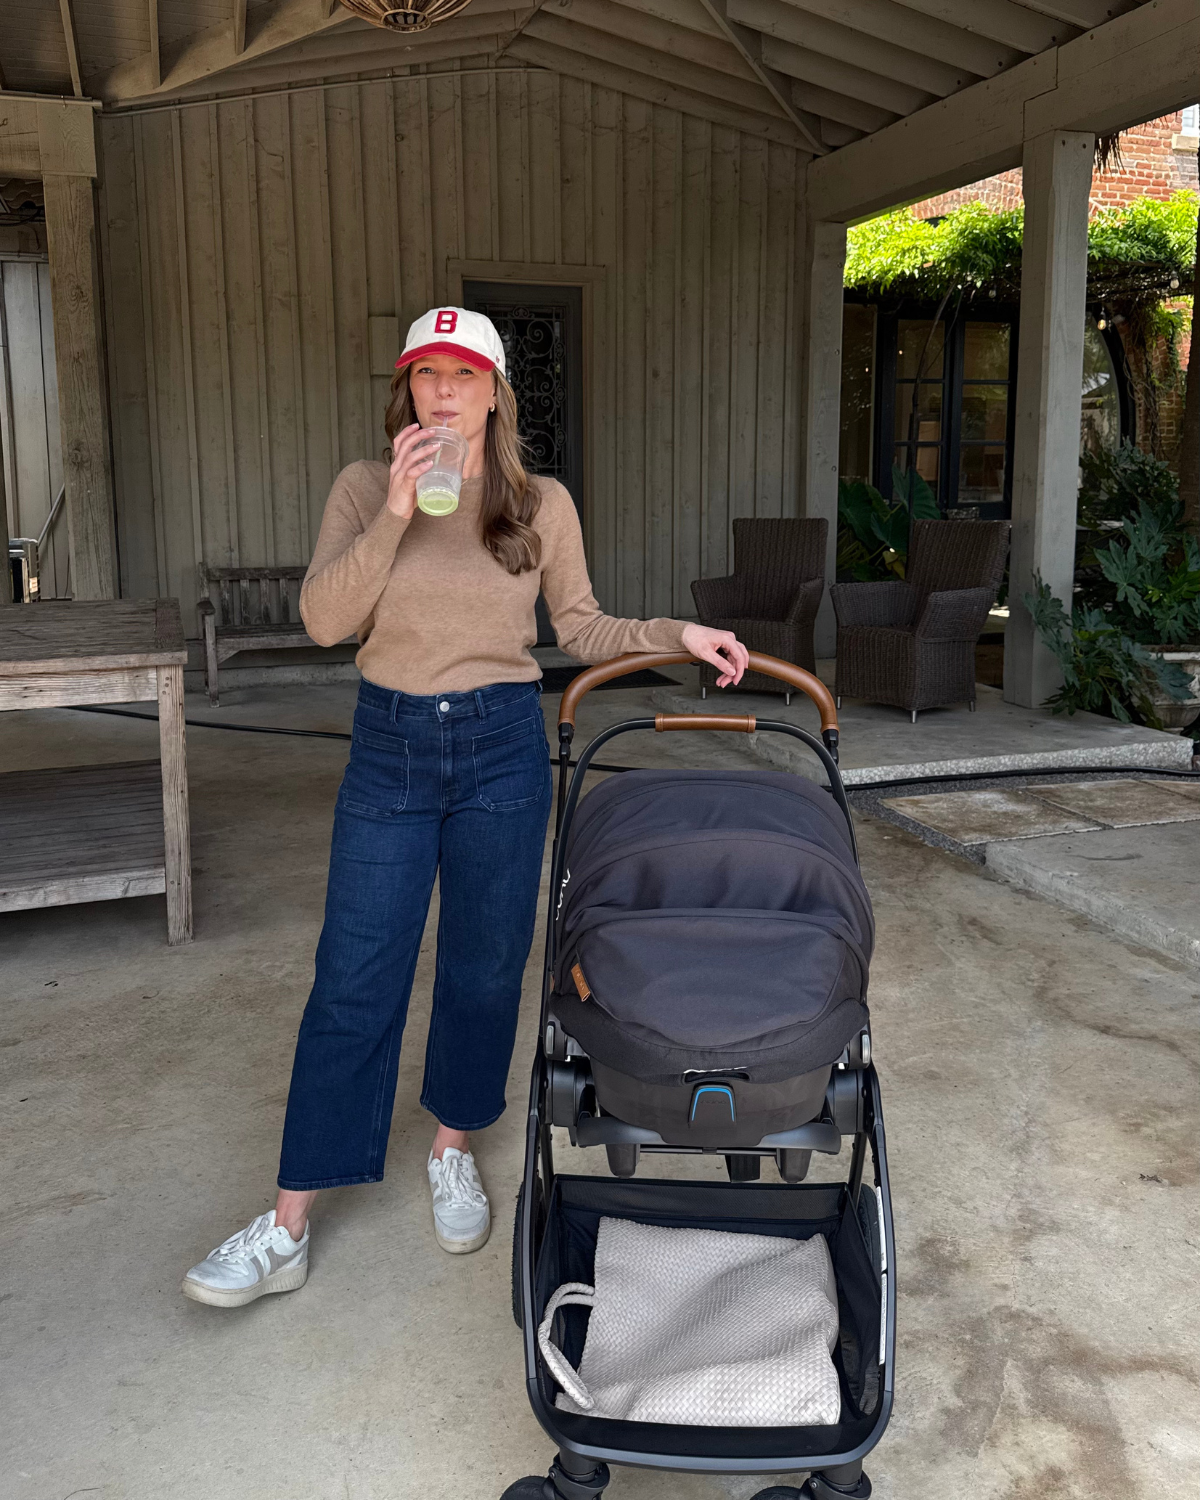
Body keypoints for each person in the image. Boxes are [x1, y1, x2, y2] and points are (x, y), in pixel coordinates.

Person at [182, 307, 747, 1307]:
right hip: (389, 746)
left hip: (499, 746)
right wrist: (399, 510)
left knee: (485, 971)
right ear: (405, 391)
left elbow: (581, 625)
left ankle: (451, 1146)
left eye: (463, 375)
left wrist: (678, 632)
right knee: (354, 978)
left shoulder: (540, 502)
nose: (443, 392)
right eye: (425, 375)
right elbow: (323, 620)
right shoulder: (363, 489)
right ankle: (287, 1223)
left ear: (495, 392)